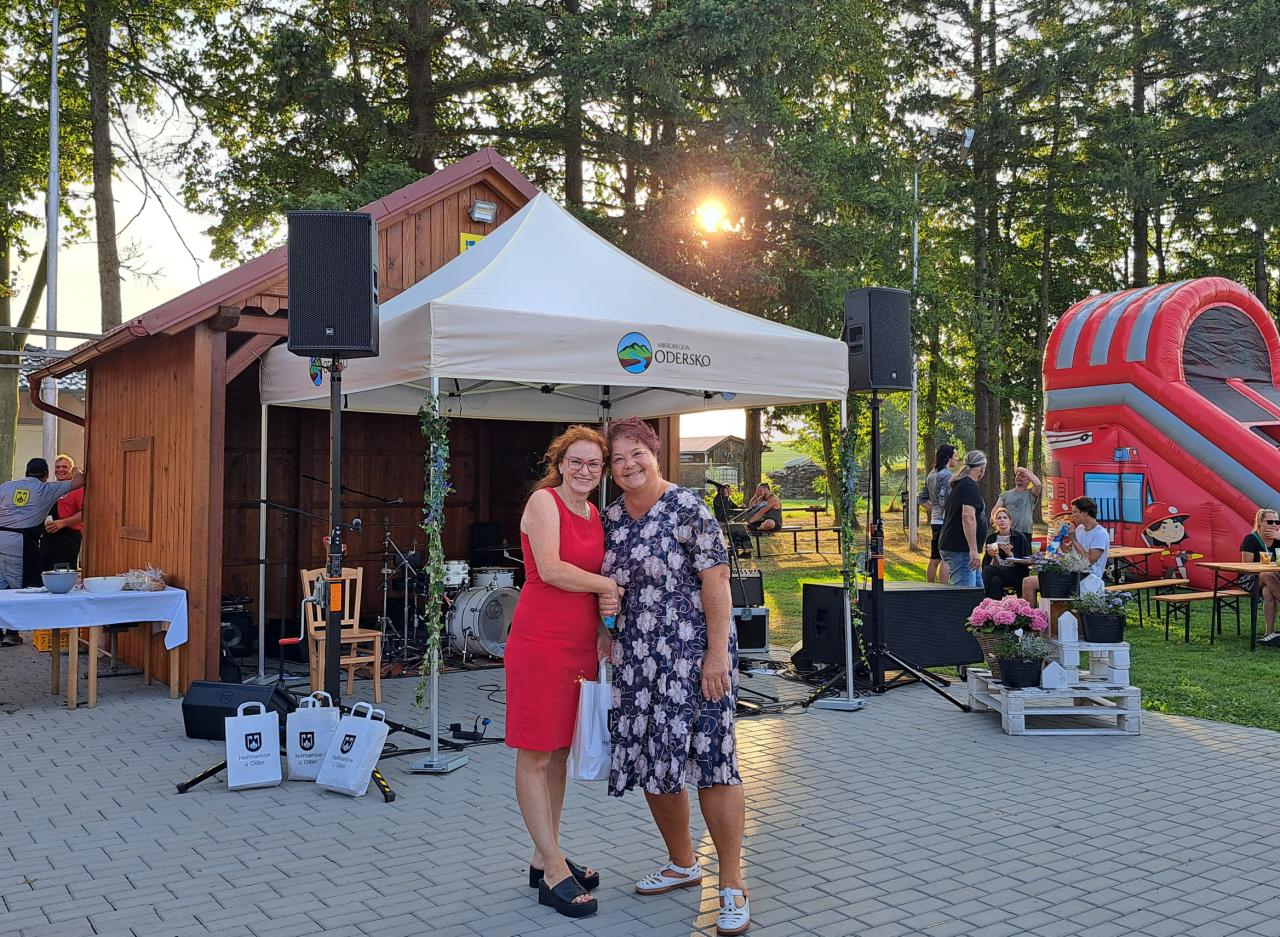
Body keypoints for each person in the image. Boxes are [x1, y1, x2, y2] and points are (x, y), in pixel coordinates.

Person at [601, 416, 750, 937]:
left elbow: (717, 582)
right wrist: (605, 630)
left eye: (636, 454)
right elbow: (606, 587)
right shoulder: (610, 519)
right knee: (654, 760)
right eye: (618, 459)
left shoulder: (689, 508)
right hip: (637, 657)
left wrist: (716, 654)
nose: (628, 465)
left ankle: (732, 883)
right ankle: (683, 863)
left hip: (694, 655)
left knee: (714, 762)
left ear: (655, 453)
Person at [503, 426, 618, 920]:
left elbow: (589, 588)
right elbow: (550, 569)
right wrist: (607, 584)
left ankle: (543, 854)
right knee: (535, 753)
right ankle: (553, 871)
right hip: (540, 642)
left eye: (594, 464)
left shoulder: (594, 514)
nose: (584, 470)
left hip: (578, 646)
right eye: (576, 461)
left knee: (558, 754)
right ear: (560, 462)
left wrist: (602, 630)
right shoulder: (544, 502)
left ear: (602, 470)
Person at [0, 458, 86, 646]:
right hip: (19, 542)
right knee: (17, 588)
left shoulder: (6, 486)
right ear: (46, 474)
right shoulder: (46, 489)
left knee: (1, 585)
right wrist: (76, 469)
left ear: (27, 472)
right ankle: (11, 633)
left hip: (1, 537)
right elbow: (80, 480)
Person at [1022, 496, 1109, 603]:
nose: (1072, 515)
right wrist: (1060, 540)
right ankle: (1034, 613)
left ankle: (1033, 613)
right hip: (1072, 573)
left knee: (1029, 582)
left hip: (1087, 578)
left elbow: (1089, 561)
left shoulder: (1100, 534)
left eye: (1075, 512)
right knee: (1033, 580)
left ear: (1085, 513)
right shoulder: (1080, 529)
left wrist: (1074, 539)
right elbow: (1068, 550)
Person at [938, 450, 988, 588]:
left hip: (961, 549)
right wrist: (973, 550)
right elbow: (968, 517)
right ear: (982, 468)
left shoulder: (962, 484)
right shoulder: (969, 486)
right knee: (965, 594)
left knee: (978, 592)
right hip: (961, 549)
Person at [1240, 507, 1280, 644]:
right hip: (1249, 580)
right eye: (1270, 522)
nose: (1274, 525)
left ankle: (1269, 634)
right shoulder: (1251, 539)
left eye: (1277, 522)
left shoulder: (1278, 540)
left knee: (1268, 592)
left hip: (1272, 580)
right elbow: (1246, 567)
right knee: (1267, 574)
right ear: (1260, 522)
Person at [920, 444, 957, 583]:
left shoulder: (931, 474)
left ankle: (929, 588)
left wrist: (934, 509)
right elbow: (943, 500)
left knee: (934, 557)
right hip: (945, 521)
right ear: (949, 458)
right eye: (956, 456)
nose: (957, 459)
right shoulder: (947, 475)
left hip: (935, 521)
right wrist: (948, 512)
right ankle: (943, 589)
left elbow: (922, 499)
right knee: (945, 558)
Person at [42, 454, 85, 571]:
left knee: (63, 573)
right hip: (48, 538)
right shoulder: (51, 488)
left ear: (71, 470)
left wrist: (62, 523)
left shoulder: (77, 489)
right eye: (58, 467)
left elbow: (85, 514)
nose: (60, 470)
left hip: (68, 539)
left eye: (64, 467)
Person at [982, 505, 1032, 599]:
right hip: (997, 571)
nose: (1002, 520)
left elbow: (1027, 559)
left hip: (1015, 573)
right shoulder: (991, 538)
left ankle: (985, 600)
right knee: (995, 581)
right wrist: (991, 555)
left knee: (988, 570)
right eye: (999, 518)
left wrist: (1010, 555)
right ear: (995, 521)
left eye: (1005, 518)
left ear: (1010, 521)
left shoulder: (1020, 537)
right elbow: (987, 563)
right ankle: (997, 605)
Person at [996, 466, 1042, 539]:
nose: (1019, 477)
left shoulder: (1031, 493)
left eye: (1023, 476)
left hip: (1026, 533)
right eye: (1018, 475)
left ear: (1029, 481)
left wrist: (1022, 469)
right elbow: (996, 510)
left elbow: (1038, 484)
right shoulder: (1005, 495)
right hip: (1009, 532)